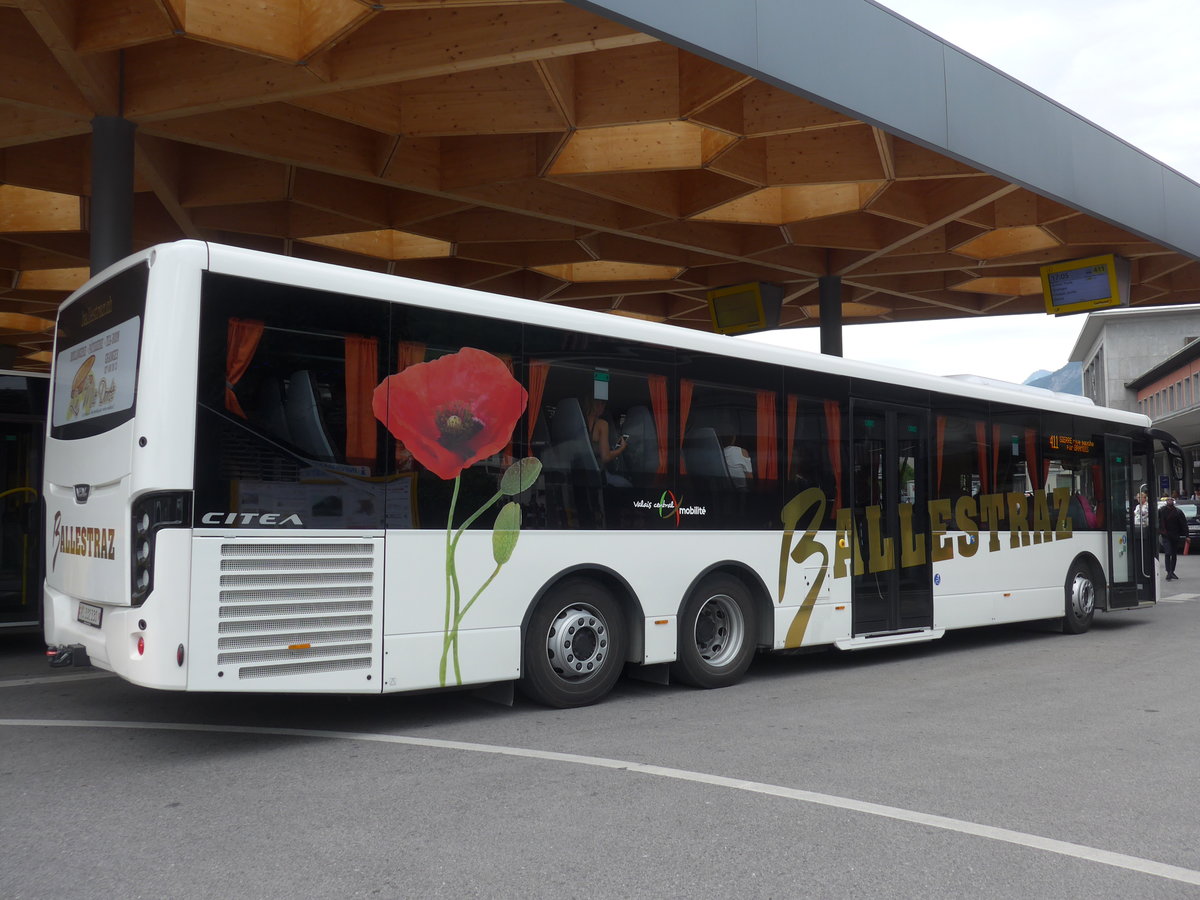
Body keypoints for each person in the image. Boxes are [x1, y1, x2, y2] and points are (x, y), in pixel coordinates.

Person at [584, 398, 631, 486]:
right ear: (599, 405)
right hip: (599, 475)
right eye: (604, 405)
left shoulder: (579, 422)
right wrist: (621, 448)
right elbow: (605, 457)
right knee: (627, 485)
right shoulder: (602, 424)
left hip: (583, 475)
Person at [1159, 494, 1188, 580]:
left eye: (1171, 500)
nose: (1169, 501)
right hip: (1165, 535)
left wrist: (1187, 535)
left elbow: (1183, 524)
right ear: (1166, 501)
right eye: (1168, 500)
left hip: (1175, 535)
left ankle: (1172, 571)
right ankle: (1168, 572)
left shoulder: (1178, 512)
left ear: (1173, 501)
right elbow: (1157, 521)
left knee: (1174, 554)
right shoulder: (1161, 511)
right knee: (1168, 553)